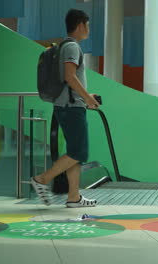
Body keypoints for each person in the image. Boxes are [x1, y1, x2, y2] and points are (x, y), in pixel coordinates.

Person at [31, 9, 100, 208]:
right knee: (79, 152)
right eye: (87, 25)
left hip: (67, 104)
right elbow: (70, 77)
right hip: (72, 107)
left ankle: (73, 197)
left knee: (74, 152)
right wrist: (87, 98)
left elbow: (69, 79)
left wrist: (87, 96)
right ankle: (42, 179)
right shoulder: (72, 47)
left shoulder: (64, 46)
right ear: (80, 25)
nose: (88, 29)